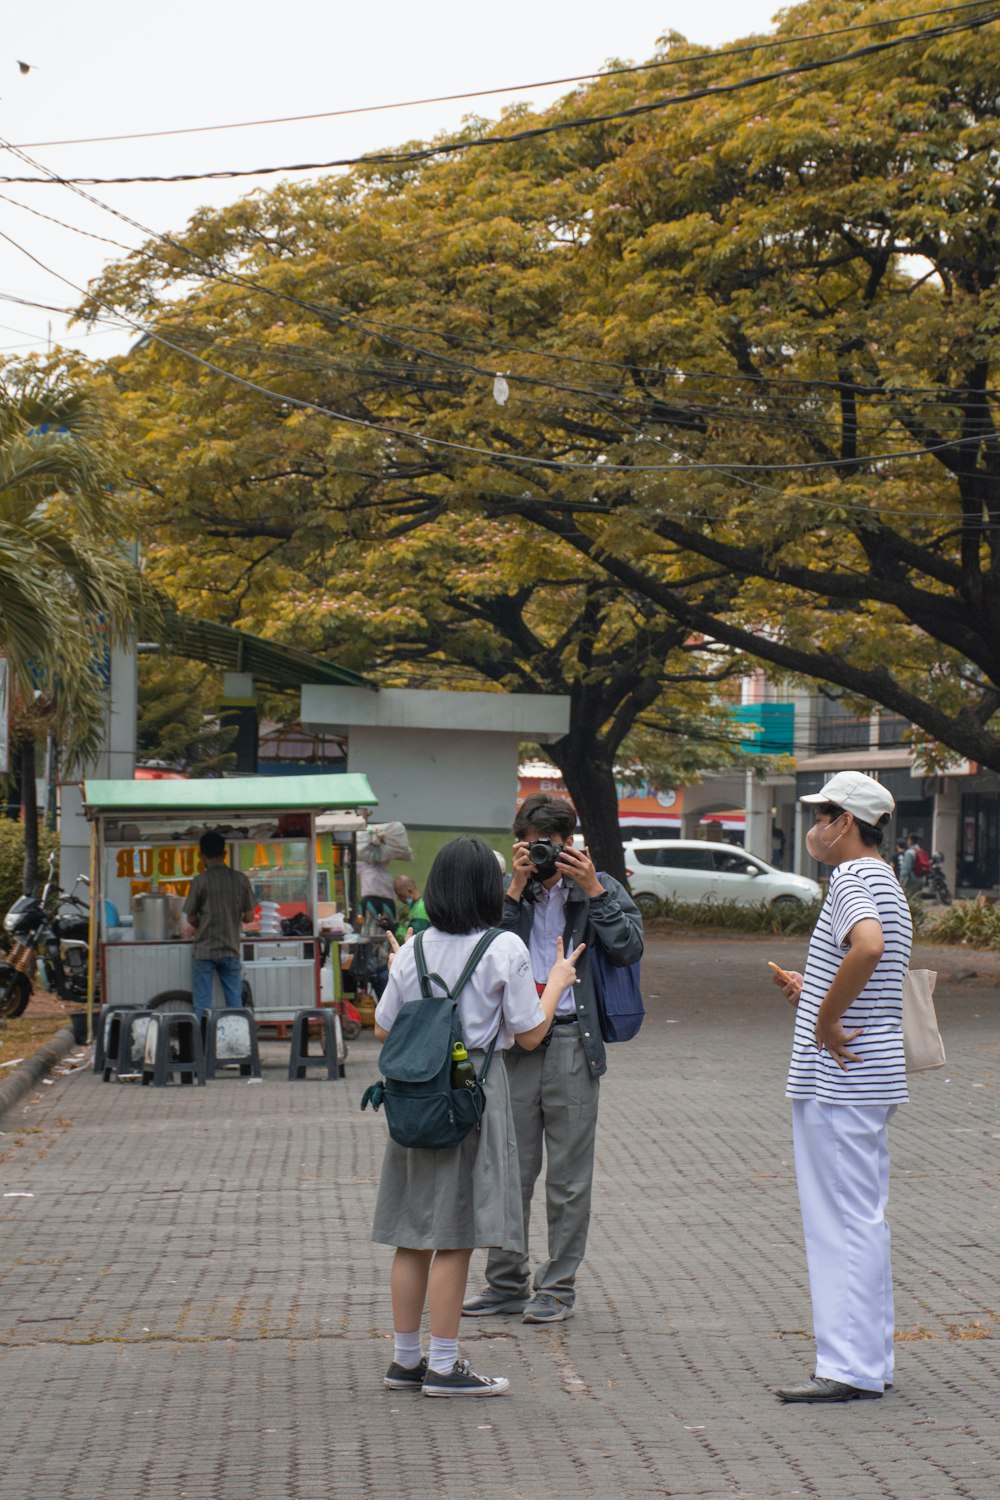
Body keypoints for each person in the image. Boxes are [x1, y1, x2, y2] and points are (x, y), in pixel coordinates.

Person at [371, 836, 584, 1397]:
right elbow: (532, 1033)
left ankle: (405, 1360)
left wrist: (401, 971)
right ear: (487, 889)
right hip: (470, 1096)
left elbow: (383, 1028)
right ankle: (444, 1366)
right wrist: (557, 982)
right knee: (456, 1234)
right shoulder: (502, 948)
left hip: (414, 1098)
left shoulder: (414, 948)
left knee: (412, 1235)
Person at [463, 792, 644, 1324]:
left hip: (569, 1040)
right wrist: (515, 889)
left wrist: (591, 889)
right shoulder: (506, 892)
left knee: (568, 1177)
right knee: (508, 1171)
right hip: (517, 1043)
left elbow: (630, 947)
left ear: (571, 842)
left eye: (554, 844)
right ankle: (505, 1283)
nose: (544, 854)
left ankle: (558, 1288)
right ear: (518, 841)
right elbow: (481, 950)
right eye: (533, 843)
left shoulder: (599, 887)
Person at [770, 770, 911, 1403]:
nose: (815, 828)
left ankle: (847, 1367)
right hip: (869, 1072)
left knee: (840, 1222)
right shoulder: (887, 880)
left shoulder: (852, 878)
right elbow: (870, 964)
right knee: (863, 1218)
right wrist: (814, 995)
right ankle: (868, 1359)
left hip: (839, 1076)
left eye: (822, 814)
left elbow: (869, 948)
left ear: (844, 823)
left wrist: (825, 1019)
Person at [182, 830, 256, 1022]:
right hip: (230, 949)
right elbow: (249, 917)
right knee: (234, 1001)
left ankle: (203, 1044)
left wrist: (202, 923)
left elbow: (190, 918)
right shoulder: (241, 879)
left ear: (202, 856)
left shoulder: (200, 881)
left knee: (202, 1004)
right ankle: (235, 1041)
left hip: (204, 951)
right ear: (224, 854)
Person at [391, 875, 430, 944]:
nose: (399, 899)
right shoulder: (415, 906)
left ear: (409, 891)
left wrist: (395, 928)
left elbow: (414, 938)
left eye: (400, 896)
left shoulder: (420, 909)